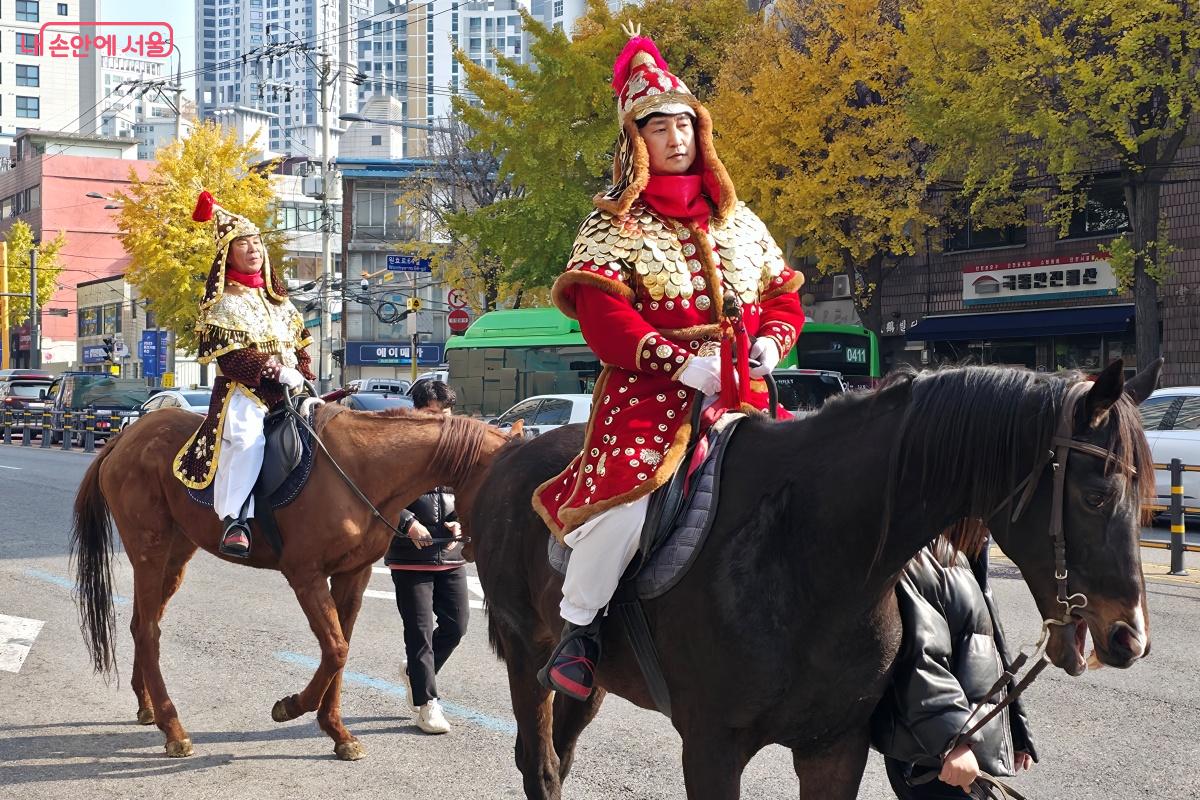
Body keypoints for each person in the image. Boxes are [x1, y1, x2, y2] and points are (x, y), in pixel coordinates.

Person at [531, 25, 807, 701]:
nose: (676, 137)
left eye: (685, 124)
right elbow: (604, 319)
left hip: (747, 389)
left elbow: (782, 299)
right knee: (626, 507)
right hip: (649, 398)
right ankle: (580, 632)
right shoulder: (611, 225)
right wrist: (682, 366)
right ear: (637, 142)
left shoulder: (740, 221)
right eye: (659, 127)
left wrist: (771, 344)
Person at [173, 190, 314, 558]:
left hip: (290, 393)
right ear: (227, 254)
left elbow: (300, 345)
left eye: (257, 243)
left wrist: (302, 372)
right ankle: (236, 520)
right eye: (244, 244)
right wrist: (275, 370)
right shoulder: (223, 303)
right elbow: (231, 358)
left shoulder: (279, 301)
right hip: (244, 392)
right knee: (249, 440)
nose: (254, 250)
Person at [871, 540, 1037, 799]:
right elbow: (919, 657)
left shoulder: (966, 545)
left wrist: (1013, 728)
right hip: (935, 753)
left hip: (967, 744)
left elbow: (988, 641)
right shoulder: (922, 549)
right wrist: (953, 742)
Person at [386, 380, 469, 734]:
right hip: (410, 553)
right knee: (418, 633)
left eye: (445, 414)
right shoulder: (396, 446)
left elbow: (464, 493)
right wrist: (407, 522)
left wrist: (458, 522)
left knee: (457, 625)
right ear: (416, 410)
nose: (439, 420)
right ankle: (427, 704)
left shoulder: (456, 448)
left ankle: (415, 672)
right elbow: (377, 495)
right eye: (432, 413)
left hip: (450, 553)